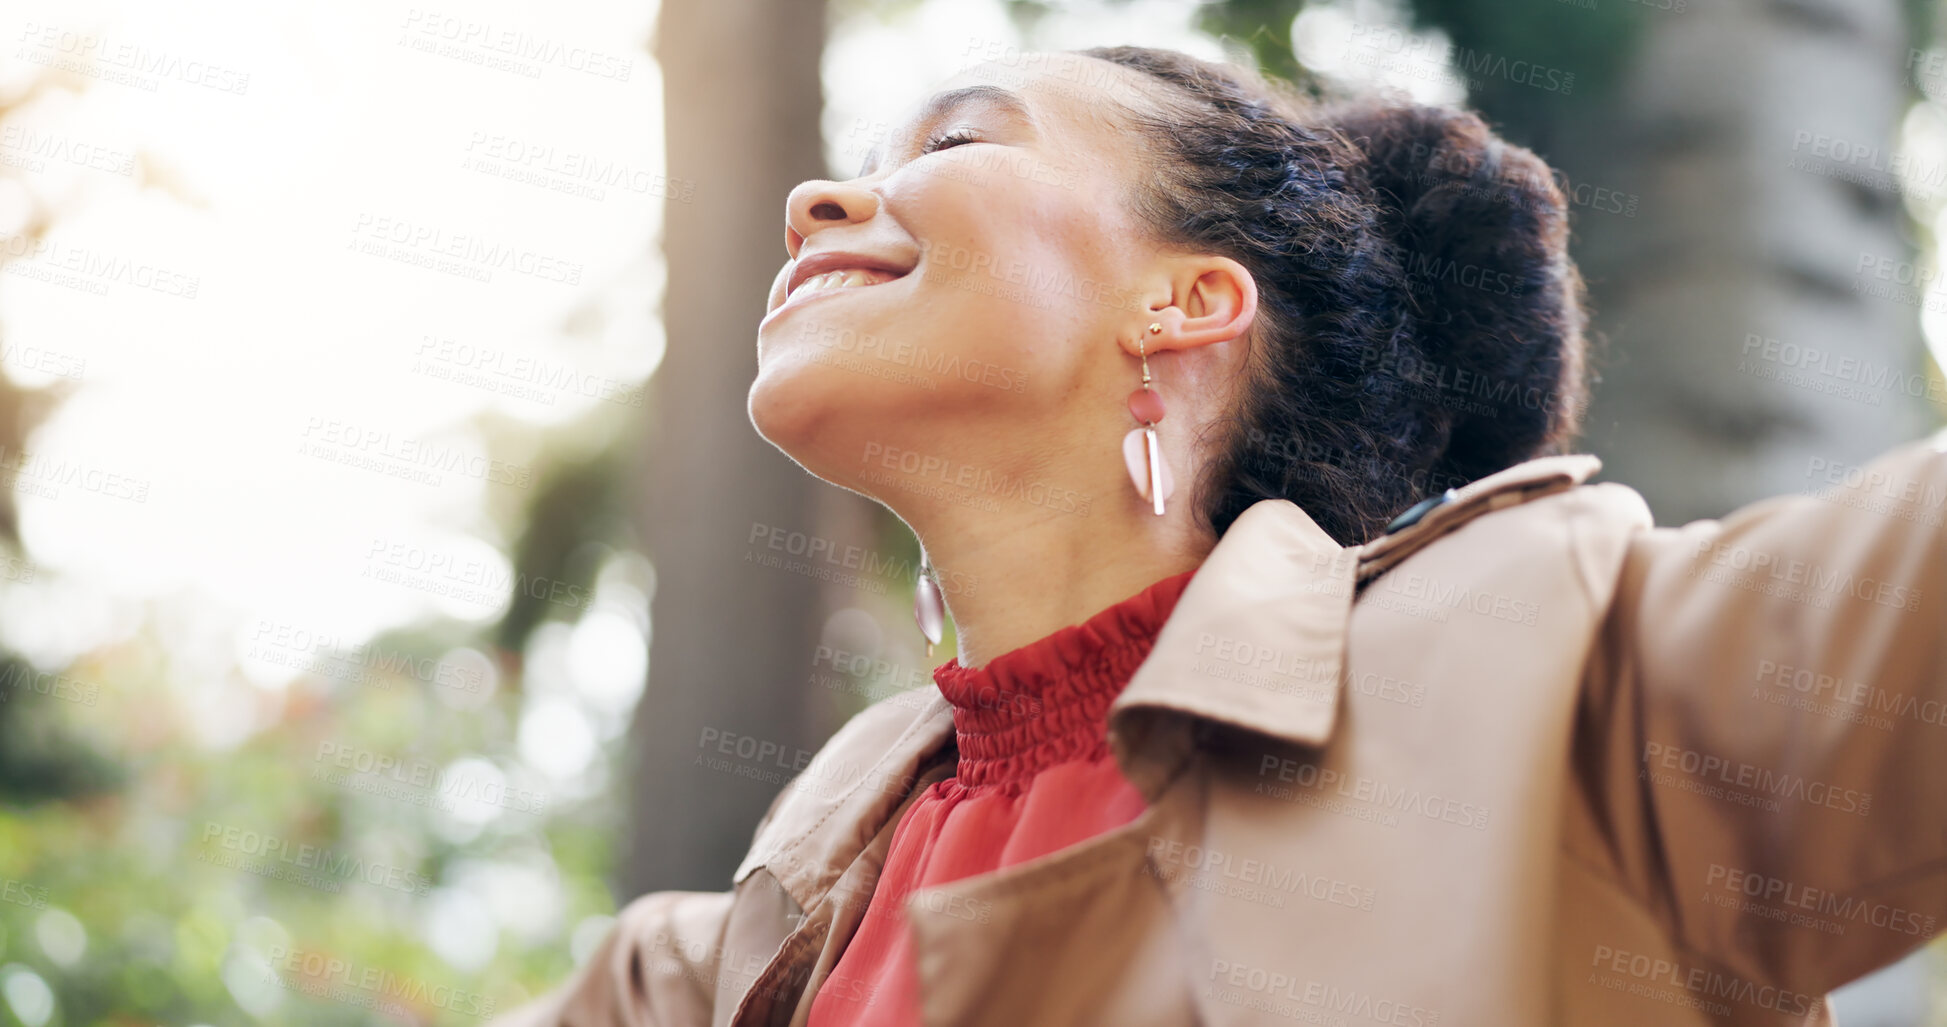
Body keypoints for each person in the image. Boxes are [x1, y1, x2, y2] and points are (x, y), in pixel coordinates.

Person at [494, 45, 1947, 1026]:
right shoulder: (772, 919)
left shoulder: (1540, 662)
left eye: (955, 140)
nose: (822, 198)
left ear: (1187, 302)